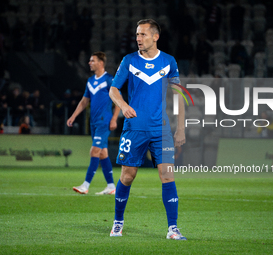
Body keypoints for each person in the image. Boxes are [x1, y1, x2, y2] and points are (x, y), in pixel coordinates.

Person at [108, 19, 186, 240]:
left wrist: (180, 128)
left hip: (161, 129)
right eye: (137, 35)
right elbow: (114, 89)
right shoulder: (129, 60)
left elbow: (179, 96)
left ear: (155, 36)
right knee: (128, 175)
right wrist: (123, 106)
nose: (138, 39)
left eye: (142, 35)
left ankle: (173, 228)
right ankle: (117, 222)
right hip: (134, 128)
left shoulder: (169, 61)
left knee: (167, 175)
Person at [67, 52, 120, 195]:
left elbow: (118, 101)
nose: (89, 63)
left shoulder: (110, 80)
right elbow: (84, 101)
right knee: (102, 153)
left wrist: (114, 118)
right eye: (89, 60)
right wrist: (73, 116)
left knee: (94, 151)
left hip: (104, 120)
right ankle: (111, 186)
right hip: (94, 122)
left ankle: (85, 185)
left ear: (101, 63)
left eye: (92, 60)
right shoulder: (90, 81)